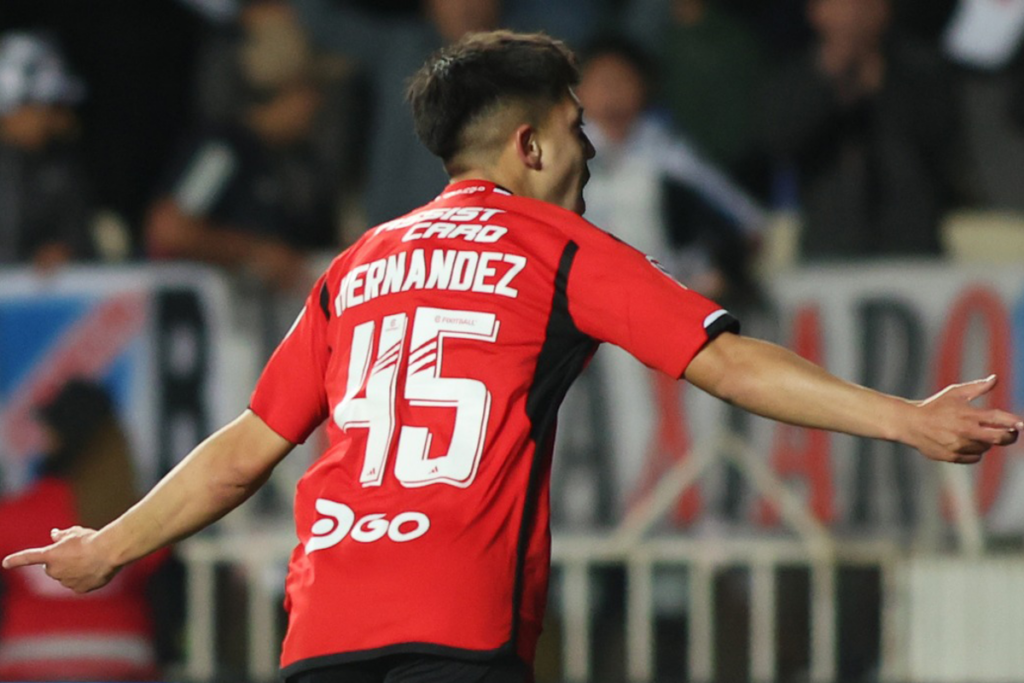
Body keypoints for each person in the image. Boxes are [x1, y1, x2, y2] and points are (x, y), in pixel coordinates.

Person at [3, 30, 1021, 683]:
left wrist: (109, 546)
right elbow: (727, 363)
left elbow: (243, 450)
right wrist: (904, 417)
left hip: (324, 628)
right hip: (458, 623)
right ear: (529, 146)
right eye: (578, 130)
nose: (592, 153)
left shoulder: (360, 261)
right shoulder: (559, 245)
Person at [145, 1, 338, 292]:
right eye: (311, 90)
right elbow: (170, 229)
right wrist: (255, 252)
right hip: (212, 324)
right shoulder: (224, 152)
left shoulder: (301, 159)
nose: (319, 104)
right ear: (281, 92)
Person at [761, 0, 966, 260]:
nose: (852, 16)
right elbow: (776, 140)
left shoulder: (922, 69)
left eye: (862, 5)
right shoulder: (793, 76)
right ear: (815, 12)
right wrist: (827, 81)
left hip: (911, 249)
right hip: (830, 251)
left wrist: (883, 84)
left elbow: (943, 142)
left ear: (884, 10)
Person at [0, 380, 167, 681]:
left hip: (27, 663)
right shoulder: (139, 515)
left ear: (56, 437)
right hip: (124, 659)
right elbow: (165, 600)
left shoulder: (10, 516)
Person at [0, 31, 95, 269]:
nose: (54, 121)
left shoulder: (60, 166)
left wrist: (66, 253)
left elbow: (79, 241)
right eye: (44, 107)